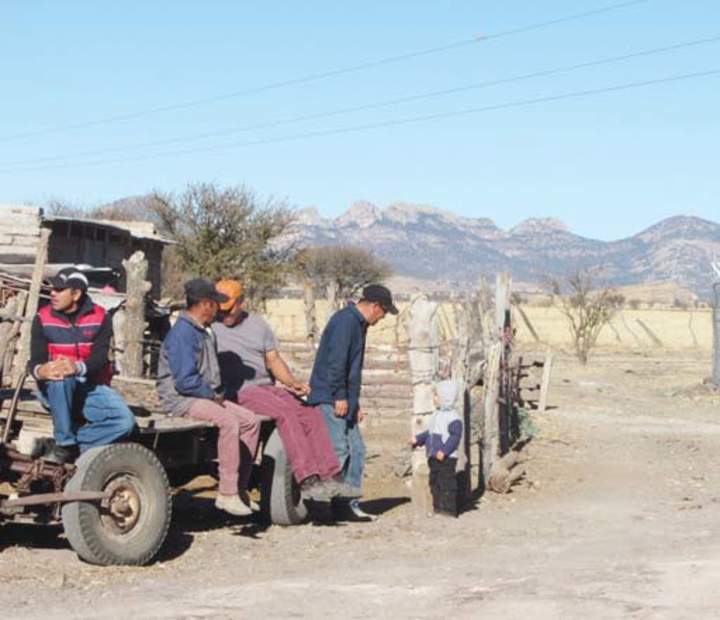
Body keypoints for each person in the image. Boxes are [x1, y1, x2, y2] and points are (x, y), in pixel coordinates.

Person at [212, 279, 347, 501]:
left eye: (229, 309)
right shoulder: (211, 327)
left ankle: (331, 474)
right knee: (285, 413)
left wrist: (291, 382)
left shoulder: (258, 325)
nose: (224, 313)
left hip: (265, 385)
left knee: (309, 411)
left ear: (241, 303)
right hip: (239, 390)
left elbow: (272, 359)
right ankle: (306, 478)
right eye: (220, 308)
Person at [156, 278, 259, 517]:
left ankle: (239, 489)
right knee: (229, 422)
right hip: (182, 398)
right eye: (215, 303)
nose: (219, 309)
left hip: (201, 395)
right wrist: (213, 397)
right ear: (205, 304)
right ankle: (226, 493)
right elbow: (184, 381)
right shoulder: (183, 333)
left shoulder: (202, 331)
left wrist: (214, 396)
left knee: (250, 421)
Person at [307, 284, 398, 520]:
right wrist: (339, 396)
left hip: (343, 398)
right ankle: (318, 504)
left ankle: (346, 504)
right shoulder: (345, 322)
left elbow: (350, 367)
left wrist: (353, 403)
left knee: (357, 449)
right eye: (384, 312)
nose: (383, 317)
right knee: (338, 449)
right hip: (330, 396)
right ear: (375, 306)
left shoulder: (358, 324)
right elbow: (337, 362)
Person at [28, 267, 136, 464]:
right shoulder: (42, 318)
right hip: (55, 388)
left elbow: (100, 359)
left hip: (90, 387)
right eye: (52, 289)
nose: (52, 293)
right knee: (61, 379)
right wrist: (41, 371)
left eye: (59, 290)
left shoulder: (101, 317)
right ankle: (64, 442)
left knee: (125, 422)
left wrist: (77, 367)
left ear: (76, 294)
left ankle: (69, 446)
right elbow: (34, 360)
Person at [412, 380, 463, 518]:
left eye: (436, 396)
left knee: (447, 483)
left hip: (446, 458)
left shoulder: (453, 418)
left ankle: (449, 510)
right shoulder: (437, 415)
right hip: (433, 456)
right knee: (435, 483)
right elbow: (430, 433)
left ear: (445, 398)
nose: (434, 399)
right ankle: (438, 508)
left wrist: (445, 451)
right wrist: (418, 439)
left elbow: (455, 437)